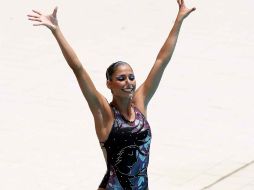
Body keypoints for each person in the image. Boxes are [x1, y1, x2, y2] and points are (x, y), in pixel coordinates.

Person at [27, 0, 195, 189]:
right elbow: (78, 69)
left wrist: (179, 20)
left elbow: (161, 60)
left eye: (131, 77)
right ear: (109, 84)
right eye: (121, 78)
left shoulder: (140, 104)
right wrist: (56, 30)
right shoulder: (105, 114)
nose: (128, 82)